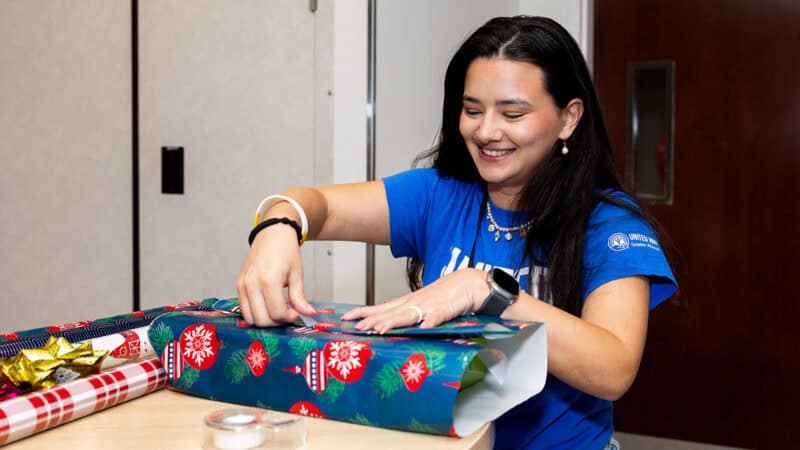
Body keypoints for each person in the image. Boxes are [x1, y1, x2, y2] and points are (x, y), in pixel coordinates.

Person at [237, 16, 677, 450]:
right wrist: (279, 225)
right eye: (471, 110)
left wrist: (485, 290)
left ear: (568, 118)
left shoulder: (608, 225)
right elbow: (320, 206)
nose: (486, 131)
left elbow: (613, 368)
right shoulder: (439, 195)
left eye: (513, 113)